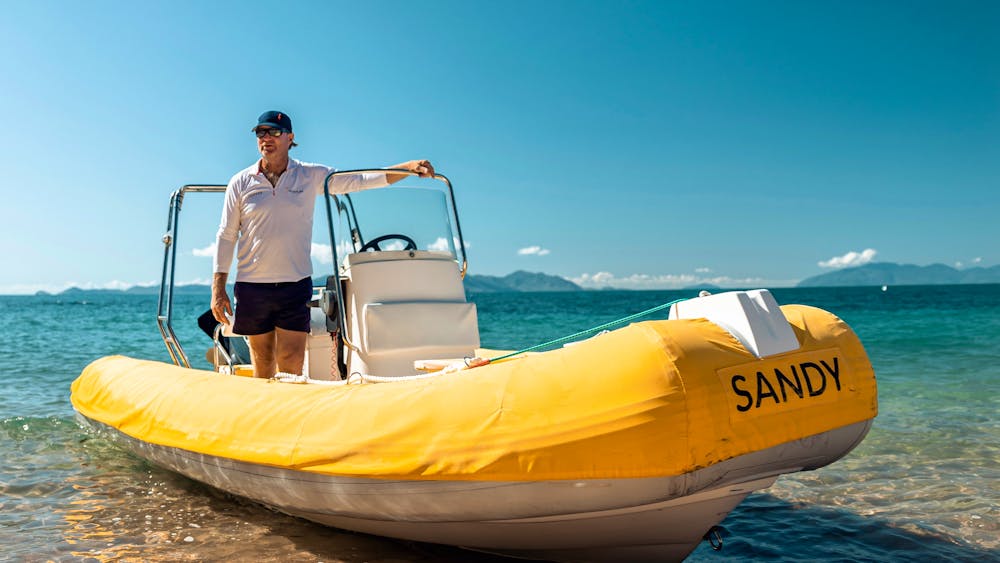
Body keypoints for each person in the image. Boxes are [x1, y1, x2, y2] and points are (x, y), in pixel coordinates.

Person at [211, 110, 434, 379]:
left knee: (292, 361)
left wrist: (407, 168)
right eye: (261, 133)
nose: (266, 138)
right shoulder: (240, 181)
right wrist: (218, 288)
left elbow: (358, 181)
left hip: (295, 283)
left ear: (290, 138)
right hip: (252, 284)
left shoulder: (309, 175)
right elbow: (226, 235)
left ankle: (290, 415)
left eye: (274, 132)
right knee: (262, 361)